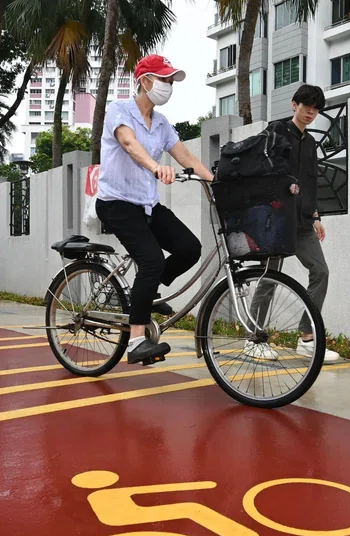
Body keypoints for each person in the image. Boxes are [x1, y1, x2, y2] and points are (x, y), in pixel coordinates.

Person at [94, 54, 213, 365]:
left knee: (189, 248)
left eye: (171, 81)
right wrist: (156, 167)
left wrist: (216, 182)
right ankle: (135, 341)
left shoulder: (161, 124)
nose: (168, 86)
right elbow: (129, 144)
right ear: (145, 80)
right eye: (164, 80)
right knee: (152, 260)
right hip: (116, 203)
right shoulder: (119, 110)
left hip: (146, 205)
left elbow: (187, 158)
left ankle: (146, 294)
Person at [277, 84, 340, 363]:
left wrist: (315, 216)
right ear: (295, 105)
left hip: (303, 220)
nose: (310, 113)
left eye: (315, 109)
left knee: (320, 271)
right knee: (268, 277)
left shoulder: (311, 143)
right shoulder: (277, 132)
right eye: (306, 107)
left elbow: (311, 182)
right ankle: (253, 339)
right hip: (278, 219)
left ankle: (306, 338)